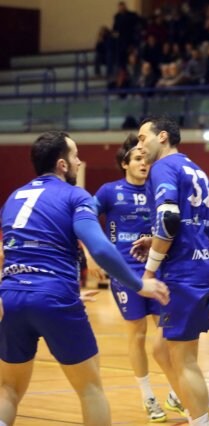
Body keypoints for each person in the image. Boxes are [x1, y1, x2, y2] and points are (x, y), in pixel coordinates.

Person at [0, 131, 169, 426]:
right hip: (55, 298)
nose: (81, 161)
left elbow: (8, 255)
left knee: (8, 390)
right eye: (76, 155)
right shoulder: (75, 195)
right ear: (63, 164)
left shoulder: (14, 198)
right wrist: (140, 283)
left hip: (11, 298)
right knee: (91, 390)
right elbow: (101, 247)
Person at [134, 116, 209, 426]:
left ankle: (201, 422)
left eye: (143, 138)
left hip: (186, 272)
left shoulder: (163, 168)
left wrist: (148, 271)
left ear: (162, 137)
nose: (139, 145)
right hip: (206, 265)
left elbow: (169, 221)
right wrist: (156, 239)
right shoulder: (195, 168)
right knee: (160, 349)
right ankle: (196, 410)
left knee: (183, 359)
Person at [93, 135, 184, 422]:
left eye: (146, 158)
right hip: (124, 273)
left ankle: (174, 392)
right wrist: (93, 254)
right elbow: (82, 219)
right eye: (137, 159)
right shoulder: (109, 191)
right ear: (125, 164)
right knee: (138, 335)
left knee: (167, 336)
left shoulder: (158, 188)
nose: (144, 162)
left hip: (156, 271)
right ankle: (148, 397)